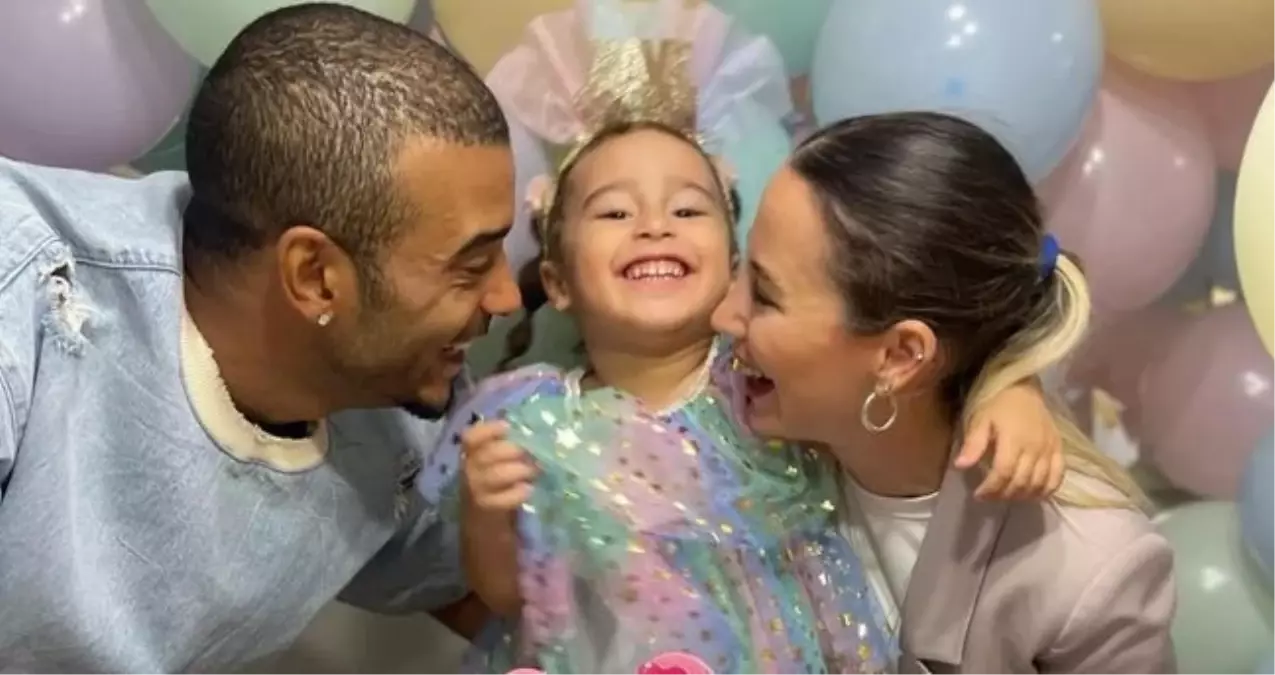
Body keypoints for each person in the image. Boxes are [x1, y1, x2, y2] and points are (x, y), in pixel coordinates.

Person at [431, 88, 1068, 671]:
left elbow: (912, 374)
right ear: (558, 282)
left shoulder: (764, 386)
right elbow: (510, 600)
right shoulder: (533, 423)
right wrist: (488, 519)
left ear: (738, 264)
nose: (655, 225)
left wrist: (1009, 390)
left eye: (687, 208)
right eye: (615, 213)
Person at [0, 4, 520, 673]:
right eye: (472, 265)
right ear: (314, 276)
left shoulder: (399, 413)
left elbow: (468, 584)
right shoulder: (24, 300)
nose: (506, 297)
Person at [711, 112, 1176, 674]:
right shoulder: (751, 449)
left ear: (901, 356)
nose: (722, 314)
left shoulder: (1088, 572)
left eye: (764, 295)